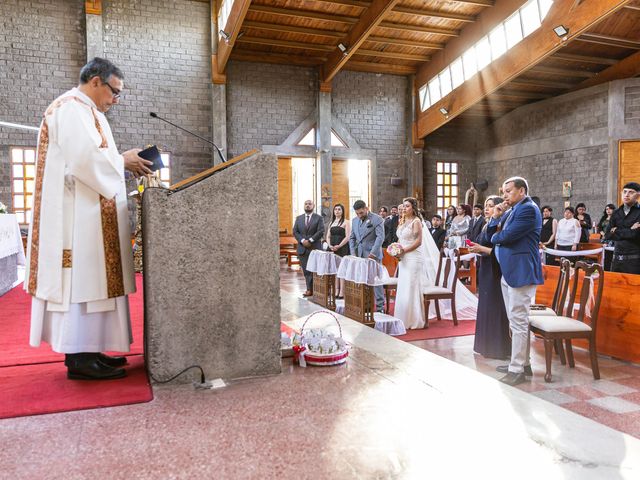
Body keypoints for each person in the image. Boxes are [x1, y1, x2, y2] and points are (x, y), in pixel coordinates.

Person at [26, 57, 154, 381]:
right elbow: (84, 160)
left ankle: (91, 349)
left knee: (95, 285)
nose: (116, 100)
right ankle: (79, 359)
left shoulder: (88, 112)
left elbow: (96, 157)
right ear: (95, 81)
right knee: (81, 285)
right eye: (114, 91)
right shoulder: (70, 108)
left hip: (92, 216)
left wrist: (121, 160)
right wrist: (121, 160)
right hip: (76, 221)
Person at [490, 176, 543, 386]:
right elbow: (491, 232)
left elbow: (505, 236)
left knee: (519, 320)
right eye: (503, 191)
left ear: (521, 190)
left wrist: (497, 237)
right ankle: (523, 362)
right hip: (510, 271)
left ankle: (517, 369)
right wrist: (495, 218)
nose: (504, 196)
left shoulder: (528, 209)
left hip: (521, 272)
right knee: (515, 321)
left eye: (508, 191)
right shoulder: (513, 210)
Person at [468, 196, 511, 359]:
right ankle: (485, 345)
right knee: (486, 305)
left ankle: (497, 348)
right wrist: (477, 248)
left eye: (491, 206)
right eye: (486, 205)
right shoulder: (487, 224)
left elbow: (496, 248)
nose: (487, 208)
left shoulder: (500, 224)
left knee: (495, 305)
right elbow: (481, 241)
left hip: (495, 268)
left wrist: (481, 249)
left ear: (499, 208)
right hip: (485, 267)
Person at [394, 198, 431, 329]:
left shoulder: (416, 222)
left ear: (413, 208)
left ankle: (414, 319)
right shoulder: (403, 221)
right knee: (404, 285)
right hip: (403, 257)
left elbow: (418, 242)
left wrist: (404, 250)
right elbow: (401, 238)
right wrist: (396, 250)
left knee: (411, 286)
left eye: (407, 206)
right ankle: (403, 317)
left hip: (414, 257)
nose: (404, 208)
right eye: (403, 206)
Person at [349, 200, 385, 312]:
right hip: (359, 256)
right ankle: (366, 305)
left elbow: (380, 237)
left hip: (373, 255)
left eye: (361, 213)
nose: (359, 215)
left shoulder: (377, 219)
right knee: (362, 280)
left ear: (366, 208)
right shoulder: (355, 221)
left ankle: (380, 307)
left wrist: (373, 253)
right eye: (357, 213)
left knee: (376, 281)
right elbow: (352, 238)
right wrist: (353, 254)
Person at [606, 182, 640, 274]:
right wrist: (630, 230)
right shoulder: (616, 213)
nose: (627, 195)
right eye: (624, 192)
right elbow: (608, 235)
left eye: (631, 192)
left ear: (638, 195)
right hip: (616, 260)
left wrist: (616, 231)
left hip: (634, 261)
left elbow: (636, 235)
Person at [293, 199, 324, 297]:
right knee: (306, 270)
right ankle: (309, 289)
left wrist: (310, 240)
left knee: (315, 270)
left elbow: (321, 231)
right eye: (306, 204)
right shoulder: (299, 218)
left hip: (314, 247)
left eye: (309, 204)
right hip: (303, 248)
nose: (307, 205)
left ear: (313, 206)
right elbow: (295, 231)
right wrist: (302, 241)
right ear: (304, 206)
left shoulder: (318, 218)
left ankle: (317, 290)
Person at [325, 204, 351, 298]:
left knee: (342, 270)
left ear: (342, 211)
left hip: (342, 248)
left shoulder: (346, 222)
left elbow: (348, 237)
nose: (337, 211)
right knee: (335, 270)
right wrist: (329, 245)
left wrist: (339, 246)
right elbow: (327, 236)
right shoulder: (331, 222)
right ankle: (336, 290)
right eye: (335, 209)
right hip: (332, 248)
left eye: (339, 209)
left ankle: (342, 292)